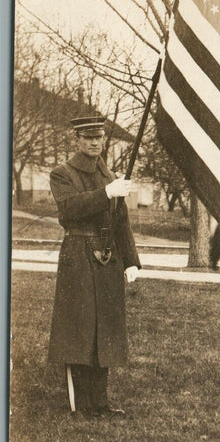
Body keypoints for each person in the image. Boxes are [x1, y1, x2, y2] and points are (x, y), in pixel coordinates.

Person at [48, 116, 140, 418]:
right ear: (76, 139)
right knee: (80, 328)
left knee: (106, 330)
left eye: (99, 137)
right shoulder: (62, 174)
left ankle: (101, 402)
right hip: (78, 255)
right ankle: (81, 403)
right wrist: (106, 194)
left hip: (108, 258)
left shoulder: (108, 174)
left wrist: (131, 261)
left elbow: (120, 220)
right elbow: (69, 210)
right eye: (88, 138)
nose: (95, 143)